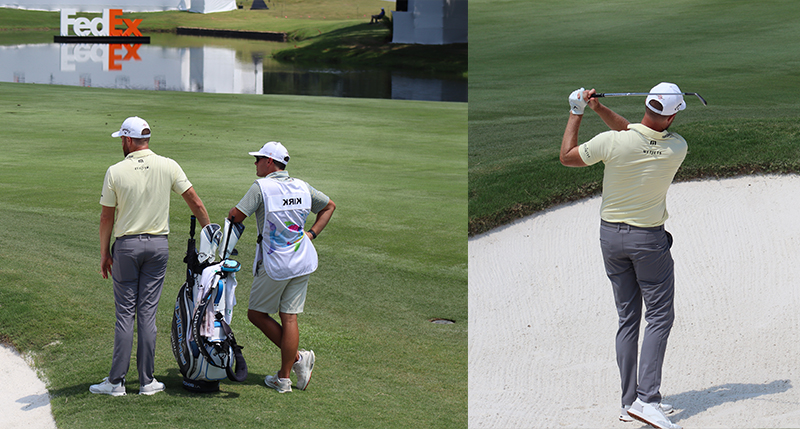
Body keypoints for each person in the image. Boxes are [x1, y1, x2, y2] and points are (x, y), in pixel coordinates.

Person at [559, 83, 688, 429]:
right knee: (659, 317)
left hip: (610, 238)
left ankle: (629, 401)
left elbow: (568, 156)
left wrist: (578, 111)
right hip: (648, 241)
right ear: (673, 114)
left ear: (647, 104)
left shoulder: (612, 142)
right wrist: (600, 111)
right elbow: (638, 134)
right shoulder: (677, 147)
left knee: (628, 318)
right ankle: (647, 401)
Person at [91, 116, 211, 396]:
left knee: (125, 315)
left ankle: (116, 382)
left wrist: (103, 254)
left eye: (122, 139)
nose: (121, 143)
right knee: (147, 314)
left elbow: (106, 217)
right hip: (158, 247)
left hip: (127, 247)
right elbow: (195, 200)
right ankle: (146, 382)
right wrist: (210, 231)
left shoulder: (115, 171)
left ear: (129, 140)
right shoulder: (168, 165)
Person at [227, 141, 335, 393]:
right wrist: (311, 234)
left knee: (256, 314)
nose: (254, 163)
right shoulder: (302, 186)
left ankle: (296, 359)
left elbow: (235, 216)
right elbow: (329, 205)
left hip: (276, 263)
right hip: (302, 259)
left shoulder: (261, 187)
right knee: (289, 317)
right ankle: (284, 378)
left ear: (269, 162)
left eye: (258, 159)